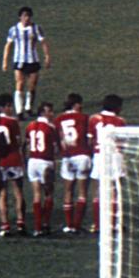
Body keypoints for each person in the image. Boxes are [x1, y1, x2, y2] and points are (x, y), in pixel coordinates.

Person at [1, 6, 51, 119]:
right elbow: (8, 45)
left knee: (32, 86)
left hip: (33, 60)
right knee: (19, 84)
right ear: (20, 17)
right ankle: (19, 111)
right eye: (24, 16)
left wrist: (47, 56)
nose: (27, 18)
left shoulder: (36, 28)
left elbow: (43, 42)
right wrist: (5, 61)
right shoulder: (14, 30)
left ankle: (28, 108)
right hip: (19, 61)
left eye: (28, 16)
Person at [89, 94, 127, 232]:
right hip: (116, 156)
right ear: (117, 107)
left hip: (99, 155)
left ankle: (97, 225)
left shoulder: (94, 119)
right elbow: (123, 143)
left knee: (98, 191)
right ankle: (115, 223)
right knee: (116, 191)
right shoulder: (120, 121)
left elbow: (90, 140)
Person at [55, 93, 91, 233]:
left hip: (68, 157)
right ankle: (77, 224)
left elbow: (59, 139)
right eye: (80, 104)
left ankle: (69, 225)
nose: (81, 106)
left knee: (68, 190)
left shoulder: (59, 119)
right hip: (82, 155)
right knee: (82, 192)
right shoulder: (84, 118)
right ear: (75, 104)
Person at [0, 95, 27, 236]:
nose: (11, 109)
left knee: (2, 193)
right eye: (8, 106)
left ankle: (5, 224)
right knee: (18, 191)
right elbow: (18, 142)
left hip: (0, 161)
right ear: (2, 107)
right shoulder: (12, 122)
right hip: (13, 159)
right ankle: (20, 222)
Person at [25, 102, 58, 236]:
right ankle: (46, 223)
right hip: (46, 161)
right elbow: (55, 148)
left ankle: (37, 227)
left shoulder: (30, 126)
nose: (52, 114)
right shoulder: (51, 128)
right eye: (50, 111)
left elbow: (27, 144)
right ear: (43, 113)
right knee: (48, 193)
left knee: (36, 194)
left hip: (32, 162)